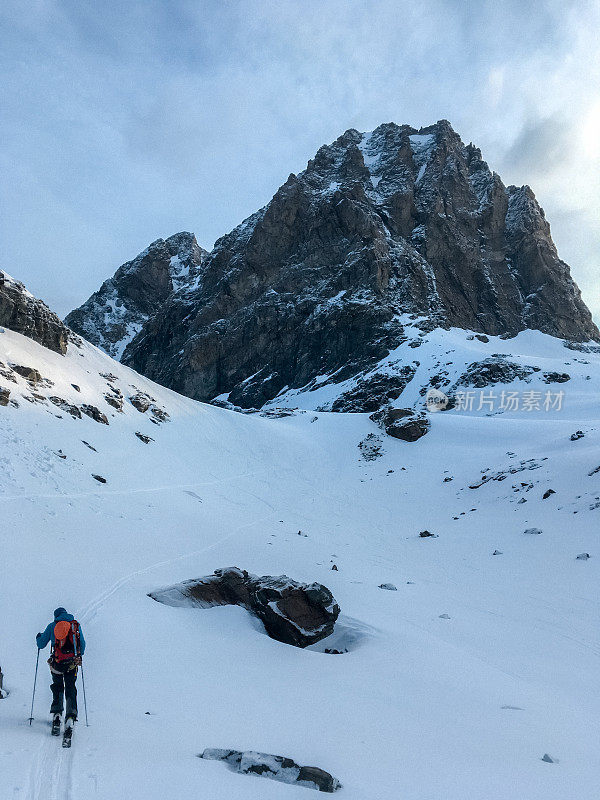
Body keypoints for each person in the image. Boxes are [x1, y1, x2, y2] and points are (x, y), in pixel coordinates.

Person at [36, 608, 85, 725]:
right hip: (72, 663)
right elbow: (82, 644)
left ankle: (57, 714)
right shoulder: (75, 626)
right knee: (70, 687)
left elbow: (41, 644)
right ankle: (70, 717)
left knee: (57, 686)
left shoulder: (52, 626)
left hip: (57, 664)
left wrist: (38, 637)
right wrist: (78, 655)